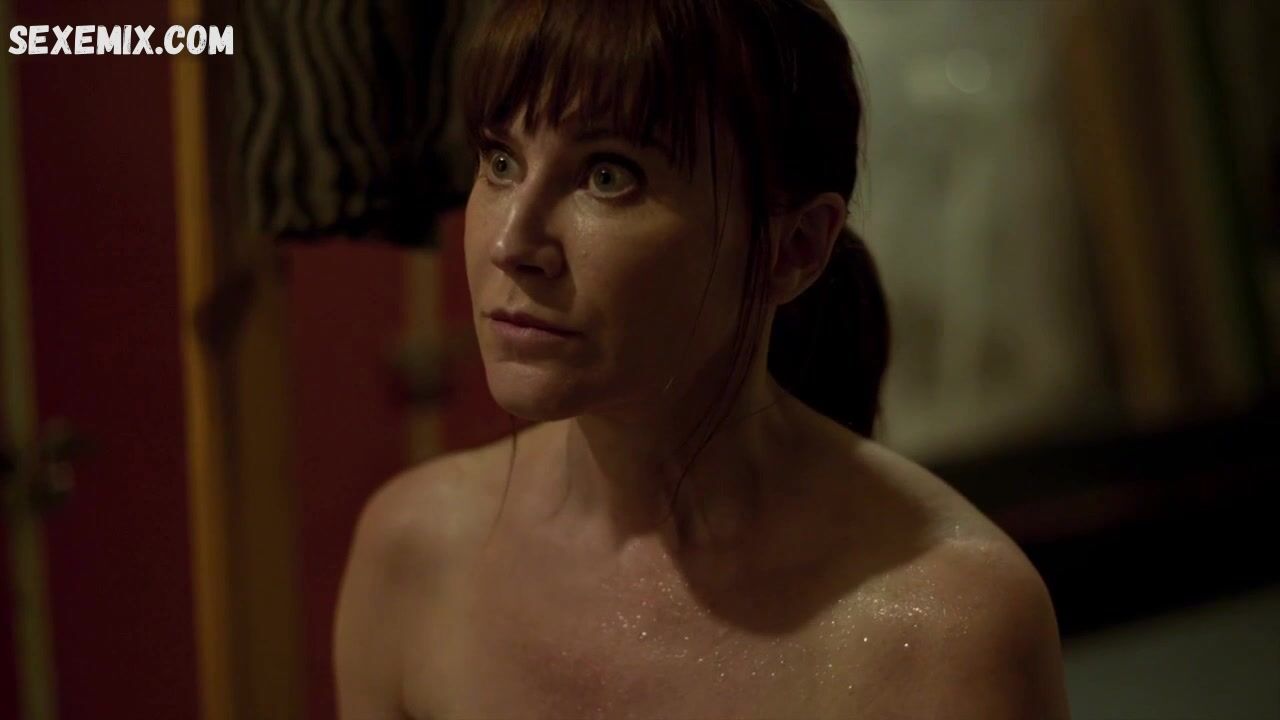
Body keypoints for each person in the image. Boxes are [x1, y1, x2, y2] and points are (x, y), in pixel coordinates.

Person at [335, 1, 1071, 718]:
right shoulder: (417, 553)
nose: (511, 243)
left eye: (608, 176)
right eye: (501, 161)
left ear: (794, 248)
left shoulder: (946, 625)